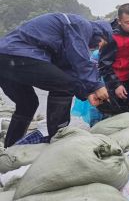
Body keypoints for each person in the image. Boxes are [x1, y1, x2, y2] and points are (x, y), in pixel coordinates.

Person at [0, 13, 112, 147]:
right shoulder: (81, 25)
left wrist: (88, 93)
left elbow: (66, 71)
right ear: (101, 34)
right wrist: (96, 86)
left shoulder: (69, 39)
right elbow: (80, 60)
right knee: (65, 87)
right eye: (102, 43)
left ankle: (10, 149)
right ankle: (57, 139)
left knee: (27, 103)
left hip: (5, 57)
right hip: (19, 54)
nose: (98, 46)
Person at [98, 3, 129, 115]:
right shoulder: (111, 38)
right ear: (119, 21)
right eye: (128, 22)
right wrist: (116, 85)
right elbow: (104, 65)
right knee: (118, 115)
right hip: (116, 80)